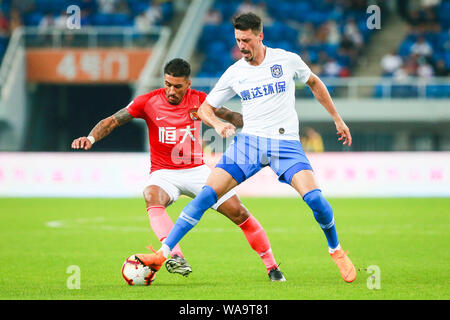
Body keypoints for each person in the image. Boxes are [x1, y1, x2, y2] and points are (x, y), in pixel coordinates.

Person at [136, 13, 356, 283]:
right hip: (249, 143)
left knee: (315, 200)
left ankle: (335, 250)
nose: (242, 46)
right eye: (238, 40)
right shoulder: (235, 73)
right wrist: (218, 125)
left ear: (260, 36)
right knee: (205, 196)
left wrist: (337, 118)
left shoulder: (287, 60)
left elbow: (314, 83)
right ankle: (163, 253)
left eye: (247, 40)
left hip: (286, 144)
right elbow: (205, 108)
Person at [71, 58, 285, 281]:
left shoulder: (202, 101)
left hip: (197, 171)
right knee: (152, 195)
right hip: (164, 173)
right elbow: (113, 121)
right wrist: (90, 138)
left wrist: (262, 124)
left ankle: (272, 268)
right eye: (167, 84)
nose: (171, 91)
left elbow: (231, 116)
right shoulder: (148, 101)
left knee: (239, 212)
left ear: (188, 84)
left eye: (177, 86)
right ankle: (175, 255)